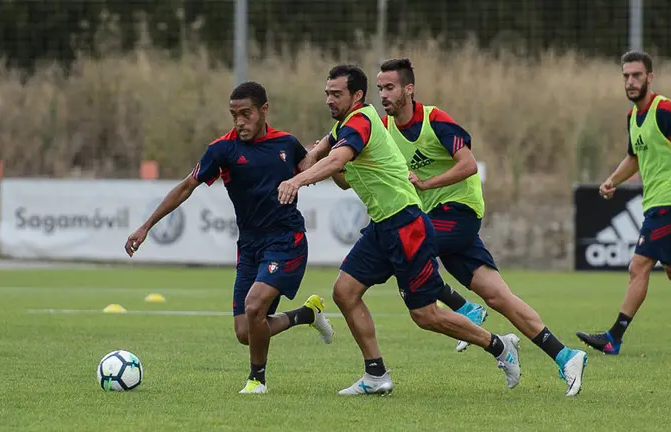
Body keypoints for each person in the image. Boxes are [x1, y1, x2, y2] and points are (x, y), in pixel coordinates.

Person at [277, 64, 521, 396]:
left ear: (357, 96)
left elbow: (335, 163)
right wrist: (293, 159)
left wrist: (295, 180)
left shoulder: (362, 122)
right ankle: (376, 375)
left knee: (425, 315)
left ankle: (499, 346)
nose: (329, 100)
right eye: (327, 94)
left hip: (407, 225)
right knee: (345, 292)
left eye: (337, 94)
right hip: (383, 226)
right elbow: (320, 153)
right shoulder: (345, 126)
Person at [357, 57, 585, 396]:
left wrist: (427, 183)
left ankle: (463, 307)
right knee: (499, 296)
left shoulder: (435, 120)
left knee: (403, 246)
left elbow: (468, 165)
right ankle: (565, 355)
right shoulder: (386, 130)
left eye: (389, 88)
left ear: (409, 89)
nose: (383, 95)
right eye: (379, 89)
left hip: (459, 212)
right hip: (433, 221)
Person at [124, 81, 334, 395]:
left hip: (286, 240)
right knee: (245, 331)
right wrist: (146, 226)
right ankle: (307, 314)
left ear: (264, 110)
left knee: (253, 308)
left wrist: (330, 153)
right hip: (249, 246)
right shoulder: (223, 149)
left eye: (245, 114)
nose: (239, 121)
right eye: (233, 114)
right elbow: (186, 187)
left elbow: (315, 170)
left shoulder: (287, 145)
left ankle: (257, 380)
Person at [576, 51, 671, 356]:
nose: (630, 82)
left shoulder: (666, 110)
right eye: (626, 76)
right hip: (656, 204)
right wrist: (612, 181)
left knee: (638, 266)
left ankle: (613, 337)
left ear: (650, 77)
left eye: (637, 75)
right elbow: (634, 157)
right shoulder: (633, 117)